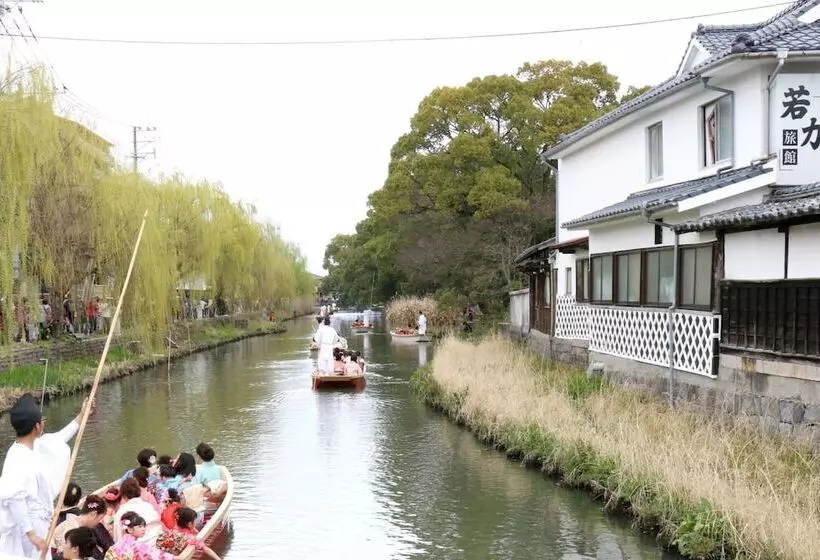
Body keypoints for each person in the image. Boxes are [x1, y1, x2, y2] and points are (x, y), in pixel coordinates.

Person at [0, 393, 93, 559]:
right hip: (27, 527)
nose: (44, 423)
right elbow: (14, 499)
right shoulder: (17, 458)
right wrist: (31, 534)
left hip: (39, 522)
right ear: (36, 426)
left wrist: (82, 415)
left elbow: (60, 438)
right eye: (42, 420)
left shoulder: (34, 445)